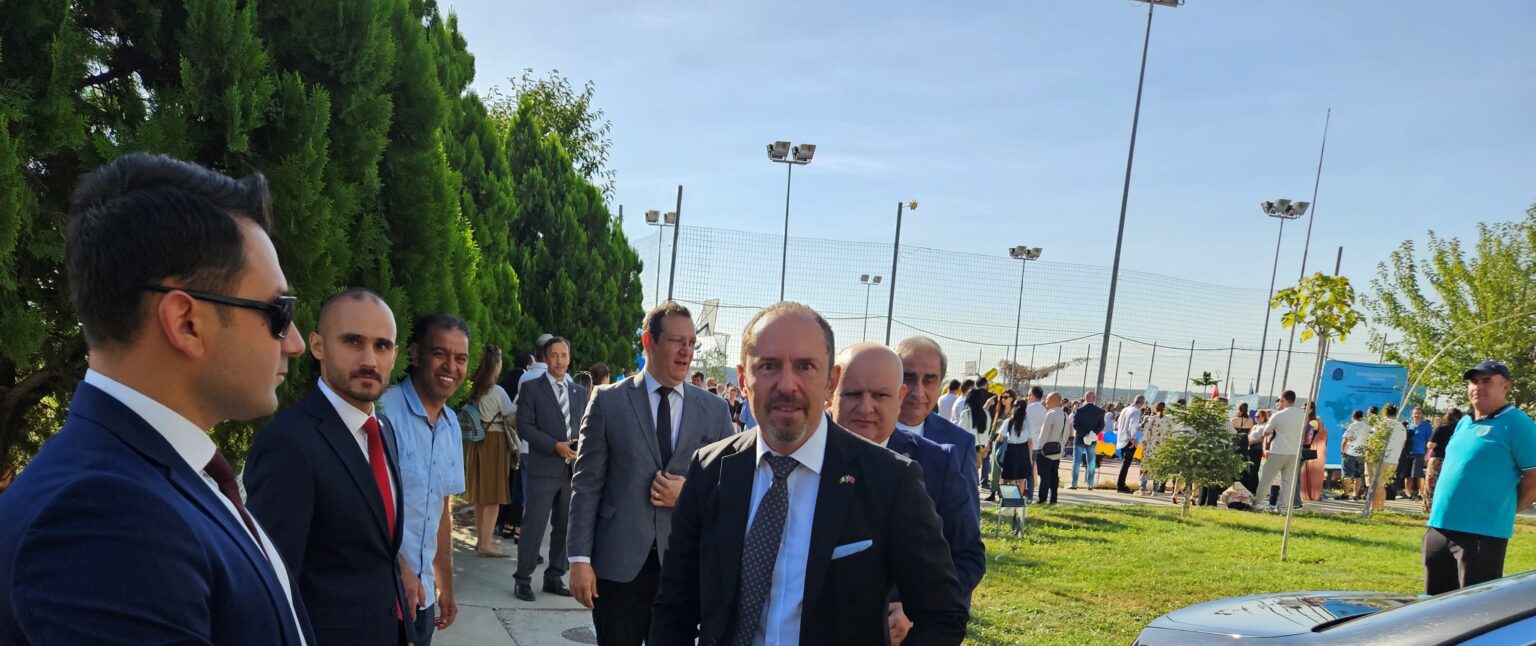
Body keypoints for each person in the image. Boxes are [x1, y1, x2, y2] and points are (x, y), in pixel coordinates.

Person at [0, 154, 313, 644]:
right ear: (186, 323)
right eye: (279, 312)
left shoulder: (151, 475)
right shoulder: (102, 518)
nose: (294, 342)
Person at [649, 303, 968, 645]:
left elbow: (943, 614)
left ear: (831, 381)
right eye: (768, 366)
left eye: (805, 366)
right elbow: (675, 608)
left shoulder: (891, 480)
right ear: (743, 379)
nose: (787, 384)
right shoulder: (710, 468)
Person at [244, 287, 410, 645]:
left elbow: (377, 550)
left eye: (382, 346)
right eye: (353, 341)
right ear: (318, 345)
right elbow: (271, 582)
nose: (370, 359)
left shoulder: (383, 430)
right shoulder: (288, 444)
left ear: (395, 354)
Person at [567, 302, 736, 645]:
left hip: (683, 567)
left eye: (691, 343)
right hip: (619, 566)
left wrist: (688, 493)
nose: (687, 351)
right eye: (677, 341)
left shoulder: (715, 410)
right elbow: (586, 484)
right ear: (649, 341)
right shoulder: (608, 401)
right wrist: (578, 559)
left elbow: (731, 489)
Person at [831, 342, 985, 632]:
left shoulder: (938, 462)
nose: (866, 407)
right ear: (830, 391)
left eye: (880, 395)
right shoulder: (800, 456)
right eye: (852, 394)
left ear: (897, 396)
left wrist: (916, 610)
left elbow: (967, 555)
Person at [377, 314, 471, 644]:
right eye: (440, 354)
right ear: (416, 354)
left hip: (424, 597)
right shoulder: (382, 412)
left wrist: (445, 584)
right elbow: (359, 507)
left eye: (460, 358)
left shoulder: (451, 425)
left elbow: (441, 511)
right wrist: (398, 565)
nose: (451, 367)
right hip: (382, 595)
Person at [1423, 361, 1536, 595]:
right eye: (1474, 381)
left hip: (1481, 533)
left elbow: (1533, 478)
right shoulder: (1464, 423)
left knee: (1474, 605)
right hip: (1440, 526)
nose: (1478, 387)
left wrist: (1506, 509)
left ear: (1505, 386)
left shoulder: (1517, 424)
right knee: (1433, 605)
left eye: (1487, 381)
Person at [513, 335, 587, 602]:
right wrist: (554, 445)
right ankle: (523, 579)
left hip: (572, 470)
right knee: (534, 526)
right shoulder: (532, 388)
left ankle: (554, 577)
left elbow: (584, 425)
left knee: (565, 526)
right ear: (546, 358)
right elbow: (525, 427)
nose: (559, 361)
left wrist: (579, 446)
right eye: (554, 355)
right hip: (543, 467)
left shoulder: (579, 392)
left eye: (564, 355)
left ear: (569, 358)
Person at [894, 336, 980, 516]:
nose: (918, 392)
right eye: (908, 377)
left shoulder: (960, 443)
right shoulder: (865, 430)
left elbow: (967, 522)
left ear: (940, 385)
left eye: (929, 380)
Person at [461, 344, 517, 557]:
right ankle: (486, 543)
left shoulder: (473, 388)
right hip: (494, 442)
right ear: (496, 365)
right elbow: (511, 416)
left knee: (481, 496)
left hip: (476, 442)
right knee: (494, 496)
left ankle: (480, 540)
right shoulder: (497, 391)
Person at [497, 350, 535, 540]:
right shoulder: (527, 382)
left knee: (511, 485)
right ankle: (518, 526)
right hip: (524, 444)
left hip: (508, 440)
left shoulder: (508, 381)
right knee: (522, 487)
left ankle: (506, 524)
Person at [1255, 390, 1305, 513]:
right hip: (1294, 452)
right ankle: (1283, 507)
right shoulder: (1302, 415)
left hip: (1278, 450)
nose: (1278, 402)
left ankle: (1258, 503)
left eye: (1279, 399)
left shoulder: (1278, 415)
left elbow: (1265, 432)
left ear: (1284, 399)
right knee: (1288, 481)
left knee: (1266, 478)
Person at [1423, 408, 1464, 514]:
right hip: (1453, 460)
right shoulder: (1461, 430)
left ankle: (1429, 508)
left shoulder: (1441, 428)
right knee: (1447, 485)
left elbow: (1431, 445)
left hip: (1437, 459)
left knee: (1431, 484)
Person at [1035, 392, 1068, 504]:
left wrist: (1039, 447)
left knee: (1045, 476)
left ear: (1054, 400)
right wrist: (1062, 446)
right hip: (1058, 450)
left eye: (1047, 400)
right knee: (1054, 475)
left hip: (1046, 450)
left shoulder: (1050, 414)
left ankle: (1042, 498)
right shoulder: (1065, 415)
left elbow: (1044, 433)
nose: (1045, 402)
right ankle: (1053, 498)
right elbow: (1066, 434)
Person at [1070, 392, 1105, 490]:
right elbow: (1101, 425)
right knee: (1091, 462)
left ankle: (1074, 483)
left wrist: (1084, 434)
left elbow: (1075, 425)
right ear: (1094, 398)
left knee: (1076, 462)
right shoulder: (1099, 411)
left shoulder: (1079, 410)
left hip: (1080, 439)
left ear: (1084, 398)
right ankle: (1090, 484)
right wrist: (1093, 434)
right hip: (1092, 439)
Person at [999, 401, 1033, 495]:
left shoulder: (1008, 421)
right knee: (1022, 478)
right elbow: (1030, 442)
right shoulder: (1027, 423)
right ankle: (1019, 500)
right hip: (1023, 450)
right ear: (1025, 409)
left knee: (1011, 477)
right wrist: (1029, 458)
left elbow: (1000, 438)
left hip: (1010, 450)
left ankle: (1011, 498)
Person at [1138, 401, 1171, 495]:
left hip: (1150, 447)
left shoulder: (1151, 419)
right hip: (1161, 447)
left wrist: (1143, 443)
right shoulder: (1168, 421)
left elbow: (1145, 432)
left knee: (1146, 467)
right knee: (1157, 468)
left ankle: (1142, 489)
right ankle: (1155, 490)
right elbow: (1170, 434)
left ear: (1155, 408)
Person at [1115, 395, 1145, 493]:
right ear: (1142, 403)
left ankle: (1121, 483)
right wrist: (1133, 438)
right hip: (1129, 440)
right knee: (1126, 463)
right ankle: (1121, 484)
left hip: (1122, 438)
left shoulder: (1125, 409)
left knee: (1124, 463)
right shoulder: (1136, 411)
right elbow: (1133, 425)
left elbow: (1119, 423)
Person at [1301, 403, 1328, 502]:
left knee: (1311, 474)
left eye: (1305, 408)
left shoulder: (1313, 422)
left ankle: (1313, 494)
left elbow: (1307, 436)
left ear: (1311, 409)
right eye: (1302, 408)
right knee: (1306, 473)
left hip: (1310, 450)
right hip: (1310, 450)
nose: (1303, 410)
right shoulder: (1311, 421)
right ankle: (1308, 494)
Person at [1340, 410, 1369, 501]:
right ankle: (1355, 495)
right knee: (1358, 475)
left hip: (1350, 452)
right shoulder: (1368, 427)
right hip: (1361, 454)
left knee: (1347, 474)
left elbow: (1345, 439)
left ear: (1353, 416)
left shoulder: (1352, 426)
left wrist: (1342, 451)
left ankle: (1346, 494)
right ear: (1362, 417)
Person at [1407, 407, 1433, 501]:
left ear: (1422, 415)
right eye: (1415, 413)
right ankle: (1408, 493)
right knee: (1407, 474)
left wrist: (1427, 454)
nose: (1417, 415)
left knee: (1419, 474)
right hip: (1408, 453)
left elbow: (1430, 441)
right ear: (1412, 414)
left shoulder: (1426, 426)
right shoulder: (1408, 425)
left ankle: (1421, 492)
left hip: (1419, 452)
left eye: (1419, 413)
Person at [1243, 409, 1269, 495]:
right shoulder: (1255, 426)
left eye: (1258, 416)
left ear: (1263, 417)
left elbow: (1263, 438)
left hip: (1257, 449)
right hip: (1250, 449)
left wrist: (1253, 442)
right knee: (1248, 470)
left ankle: (1254, 491)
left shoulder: (1265, 426)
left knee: (1253, 470)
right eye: (1255, 416)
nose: (1256, 418)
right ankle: (1249, 489)